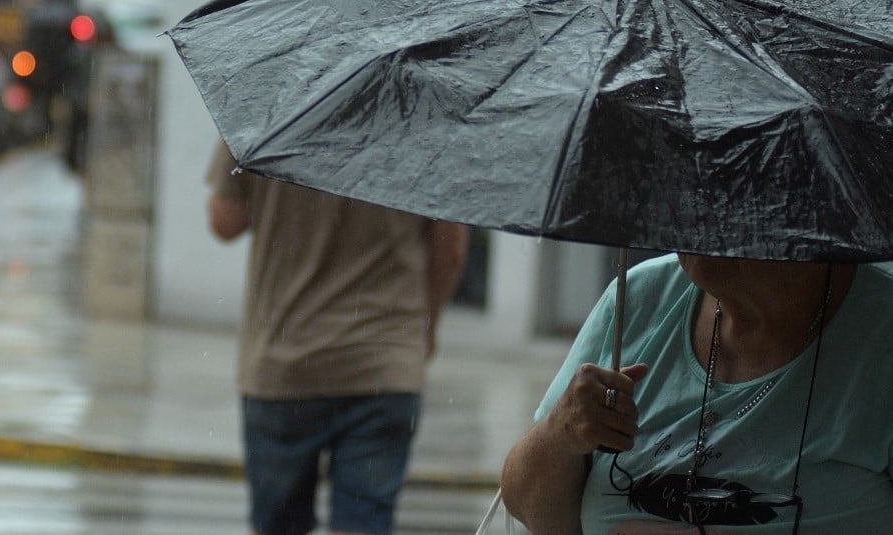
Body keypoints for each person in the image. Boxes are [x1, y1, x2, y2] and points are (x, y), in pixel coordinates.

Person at [501, 252, 893, 534]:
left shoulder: (880, 329)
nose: (699, 215)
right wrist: (559, 434)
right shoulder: (640, 295)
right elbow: (527, 505)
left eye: (733, 194)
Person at [205, 142, 469, 535]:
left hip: (283, 362)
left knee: (278, 526)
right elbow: (451, 249)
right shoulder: (423, 123)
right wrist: (426, 329)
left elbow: (225, 220)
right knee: (364, 524)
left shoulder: (267, 111)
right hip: (384, 364)